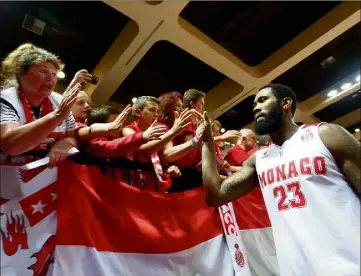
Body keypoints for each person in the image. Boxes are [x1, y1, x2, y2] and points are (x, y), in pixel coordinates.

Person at [201, 83, 360, 275]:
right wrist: (208, 145)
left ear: (286, 103)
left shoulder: (326, 135)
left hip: (349, 263)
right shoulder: (259, 160)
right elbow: (215, 196)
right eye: (254, 105)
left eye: (263, 100)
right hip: (295, 269)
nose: (256, 107)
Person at [0, 43, 90, 166]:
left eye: (54, 74)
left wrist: (65, 144)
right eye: (43, 71)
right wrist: (57, 115)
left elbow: (72, 137)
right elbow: (9, 146)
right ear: (20, 73)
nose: (50, 79)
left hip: (45, 174)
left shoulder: (59, 100)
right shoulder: (6, 99)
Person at [122, 96, 190, 191]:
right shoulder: (128, 130)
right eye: (152, 110)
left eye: (158, 112)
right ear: (138, 112)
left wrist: (169, 168)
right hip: (133, 187)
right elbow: (143, 150)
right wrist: (172, 132)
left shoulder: (161, 130)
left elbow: (167, 156)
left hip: (155, 187)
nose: (156, 115)